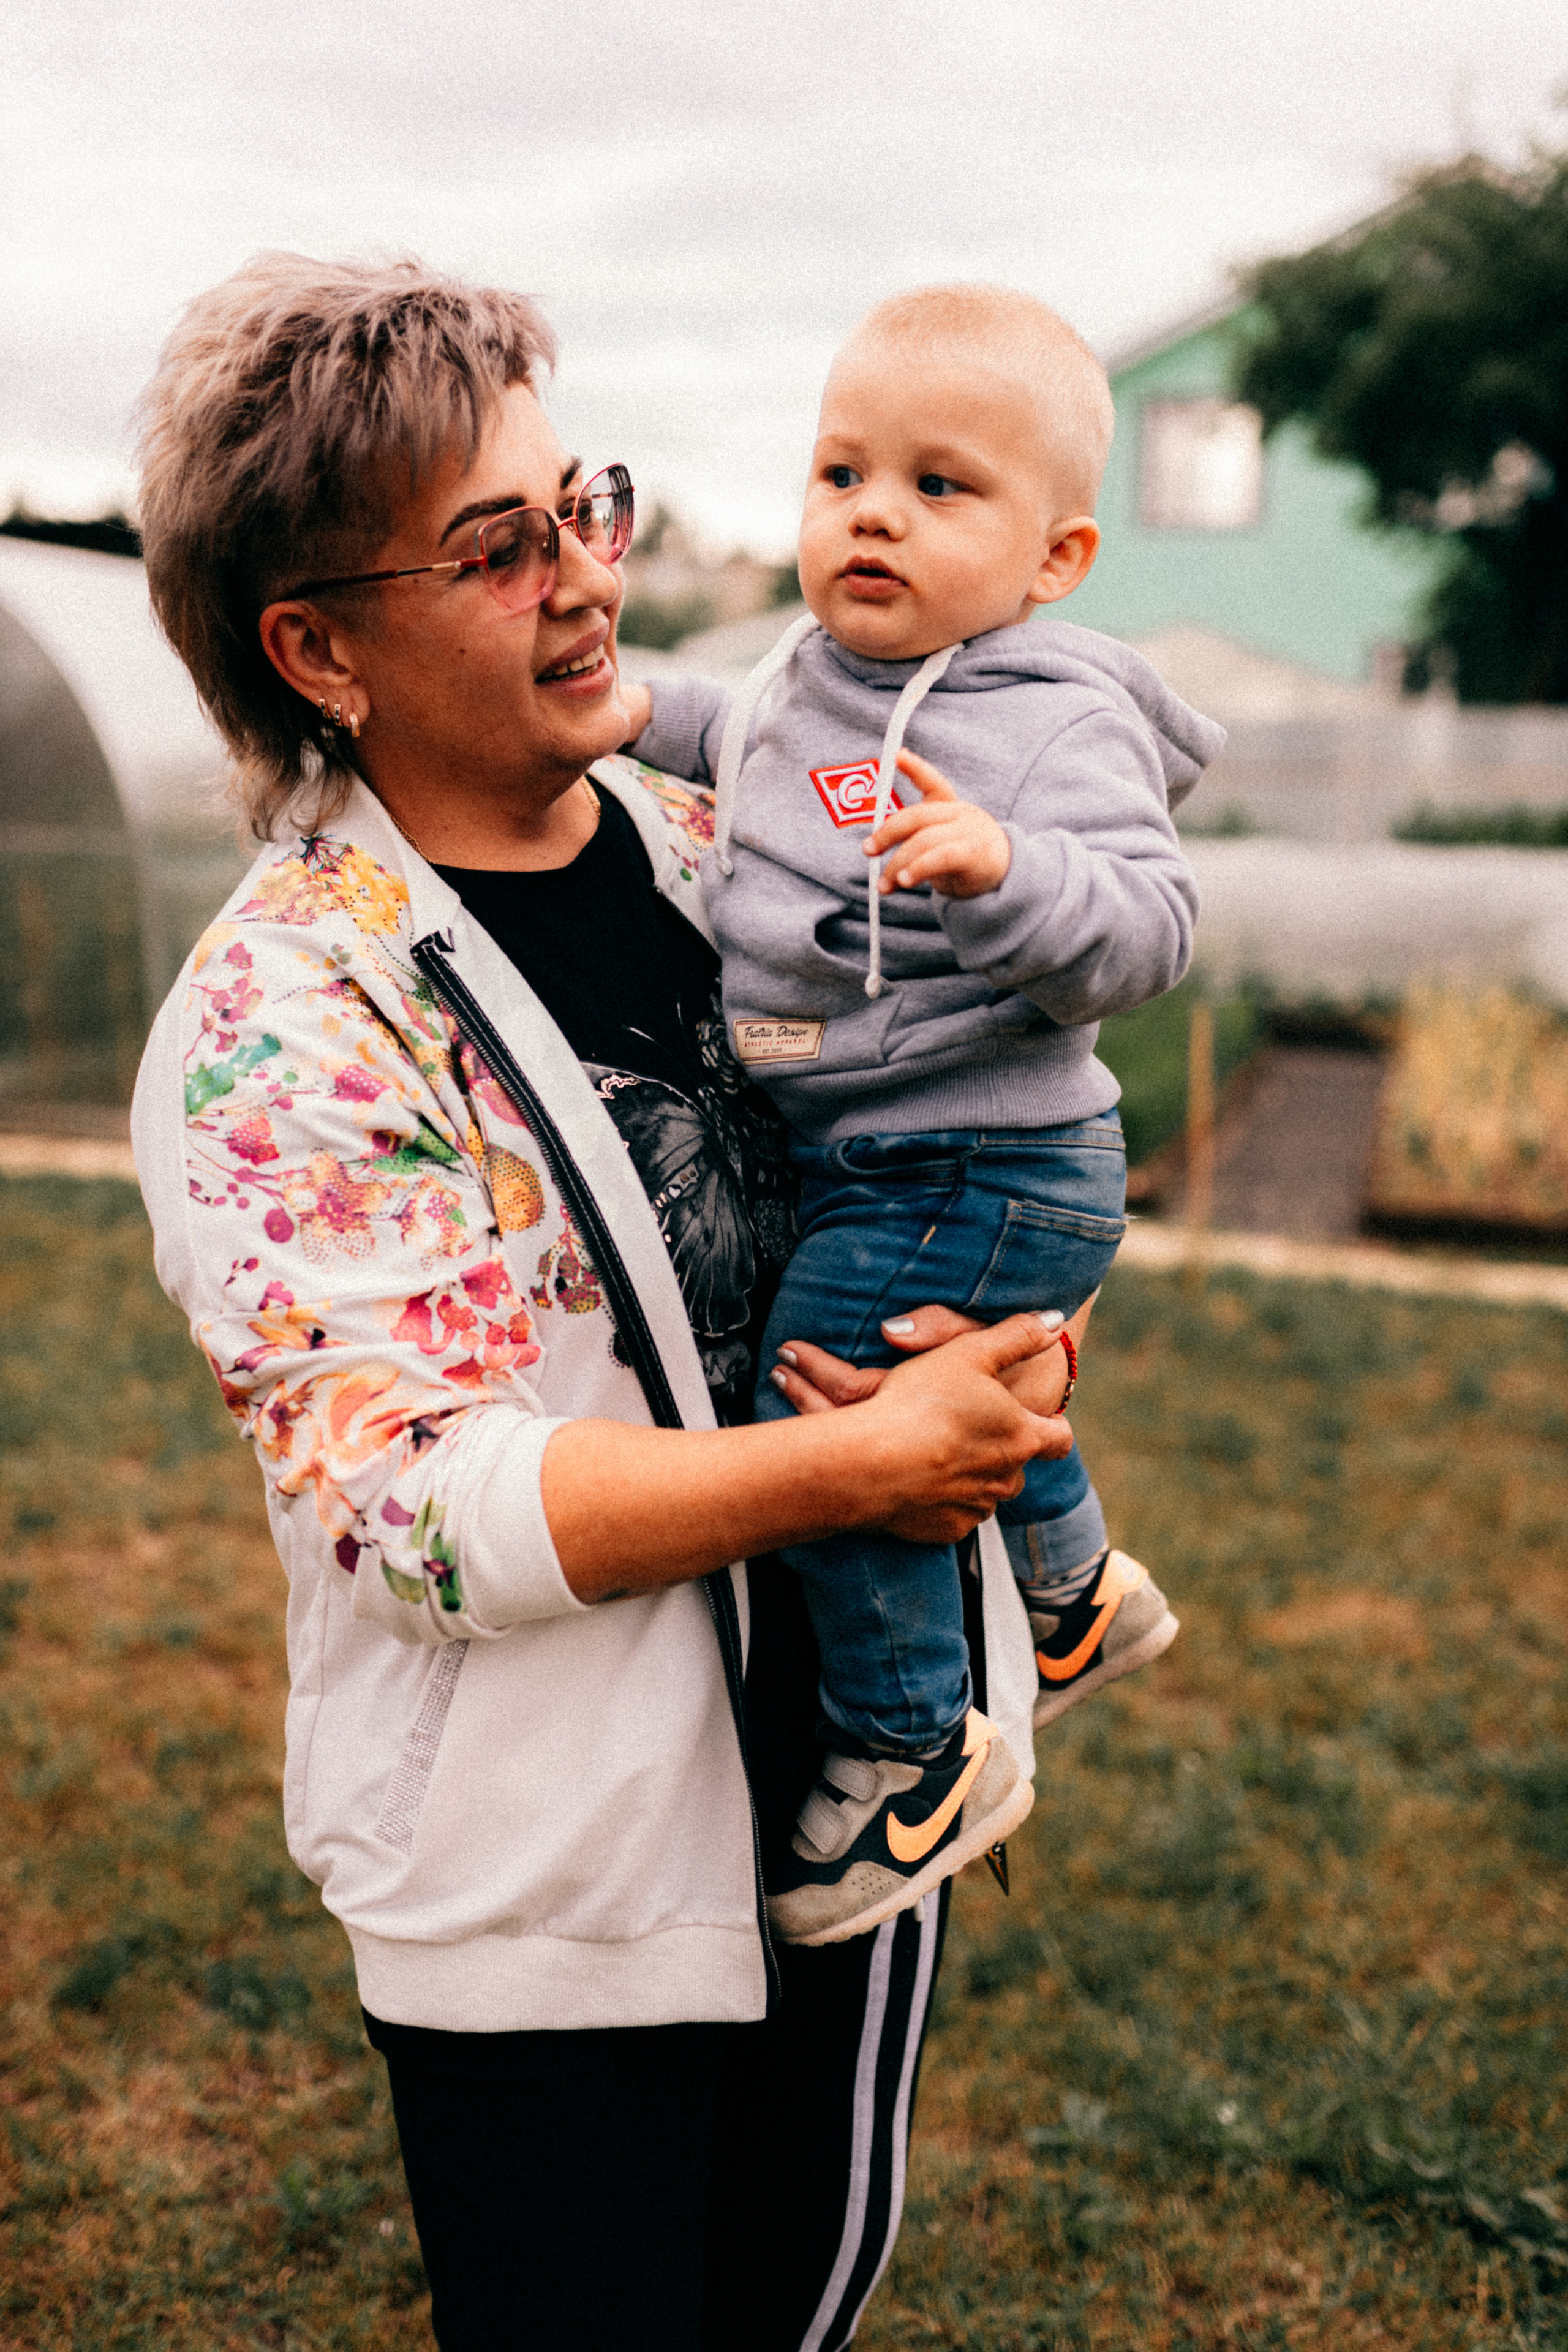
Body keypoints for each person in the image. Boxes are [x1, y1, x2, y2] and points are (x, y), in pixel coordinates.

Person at [129, 254, 1085, 2352]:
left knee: (796, 2310)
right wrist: (853, 1462)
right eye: (496, 546)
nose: (582, 579)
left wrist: (989, 1321)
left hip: (842, 1778)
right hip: (552, 1868)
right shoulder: (281, 1018)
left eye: (589, 506)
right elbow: (421, 1513)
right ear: (316, 648)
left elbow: (925, 1130)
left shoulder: (712, 838)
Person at [627, 284, 1224, 1945]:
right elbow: (721, 726)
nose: (874, 511)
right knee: (940, 1353)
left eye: (939, 486)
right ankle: (1075, 1597)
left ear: (1055, 561)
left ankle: (909, 1754)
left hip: (983, 1147)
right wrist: (616, 707)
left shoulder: (1048, 721)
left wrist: (1005, 869)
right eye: (842, 474)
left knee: (826, 1400)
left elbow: (1152, 927)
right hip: (898, 1152)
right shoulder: (807, 683)